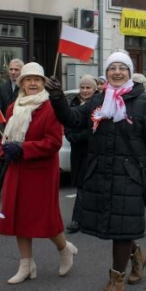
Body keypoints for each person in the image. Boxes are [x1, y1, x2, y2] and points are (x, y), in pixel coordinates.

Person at [47, 50, 146, 291]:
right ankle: (138, 256)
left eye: (122, 68)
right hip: (102, 172)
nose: (117, 72)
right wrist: (57, 97)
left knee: (122, 228)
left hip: (131, 175)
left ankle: (116, 282)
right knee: (119, 224)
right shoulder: (99, 99)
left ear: (129, 72)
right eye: (112, 68)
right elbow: (73, 119)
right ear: (107, 72)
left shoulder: (144, 102)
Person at [0, 62, 76, 284]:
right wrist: (7, 149)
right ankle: (26, 264)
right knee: (18, 216)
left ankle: (64, 249)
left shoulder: (50, 107)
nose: (32, 83)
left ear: (43, 83)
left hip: (40, 171)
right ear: (21, 83)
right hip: (17, 168)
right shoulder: (13, 107)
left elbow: (53, 142)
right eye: (28, 79)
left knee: (44, 217)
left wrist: (23, 148)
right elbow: (9, 136)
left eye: (37, 80)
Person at [64, 75, 97, 234]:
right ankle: (82, 218)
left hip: (92, 151)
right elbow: (68, 121)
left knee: (88, 186)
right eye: (82, 87)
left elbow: (96, 129)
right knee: (81, 185)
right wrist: (70, 135)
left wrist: (80, 136)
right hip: (77, 151)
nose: (84, 90)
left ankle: (80, 219)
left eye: (88, 87)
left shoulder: (98, 105)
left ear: (94, 89)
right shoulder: (74, 103)